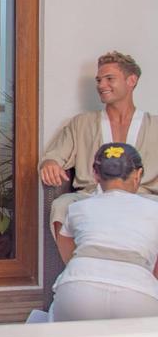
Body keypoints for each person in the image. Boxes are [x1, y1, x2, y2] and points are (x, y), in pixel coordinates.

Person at [40, 51, 158, 238]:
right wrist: (50, 163)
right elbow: (55, 156)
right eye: (98, 80)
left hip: (142, 197)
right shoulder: (81, 123)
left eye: (109, 78)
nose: (101, 85)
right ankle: (75, 265)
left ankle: (146, 268)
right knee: (61, 206)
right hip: (92, 196)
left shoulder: (154, 126)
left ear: (131, 80)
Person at [51, 143, 158, 322]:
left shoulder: (77, 208)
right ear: (138, 174)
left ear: (95, 174)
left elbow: (69, 256)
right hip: (137, 296)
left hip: (78, 292)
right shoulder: (155, 209)